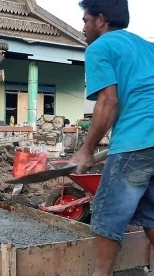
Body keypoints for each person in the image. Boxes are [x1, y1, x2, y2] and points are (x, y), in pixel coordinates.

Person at [73, 0, 154, 275]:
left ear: (101, 19)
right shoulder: (148, 47)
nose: (83, 27)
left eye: (85, 20)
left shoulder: (100, 47)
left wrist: (86, 150)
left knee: (106, 213)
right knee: (152, 215)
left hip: (134, 141)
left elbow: (108, 102)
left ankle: (101, 273)